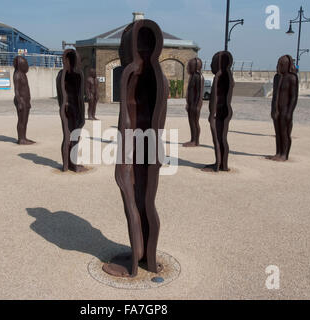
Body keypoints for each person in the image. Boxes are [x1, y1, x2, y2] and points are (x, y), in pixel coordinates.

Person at [102, 19, 168, 278]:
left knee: (133, 197)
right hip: (150, 150)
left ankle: (134, 263)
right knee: (147, 200)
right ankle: (146, 257)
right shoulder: (157, 75)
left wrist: (123, 162)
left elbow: (126, 122)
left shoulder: (129, 72)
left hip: (133, 150)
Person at [56, 49, 86, 172]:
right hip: (73, 109)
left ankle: (66, 165)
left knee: (67, 136)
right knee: (73, 137)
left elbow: (61, 94)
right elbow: (80, 97)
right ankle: (72, 164)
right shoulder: (78, 75)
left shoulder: (61, 75)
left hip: (66, 108)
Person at [203, 51, 234, 172]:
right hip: (225, 112)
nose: (211, 65)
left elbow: (215, 97)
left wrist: (212, 114)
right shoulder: (228, 76)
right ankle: (223, 164)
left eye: (213, 62)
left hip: (218, 113)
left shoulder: (219, 76)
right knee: (222, 138)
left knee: (217, 138)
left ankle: (217, 164)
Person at [267, 55, 299, 161]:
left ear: (287, 65)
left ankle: (284, 154)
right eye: (278, 64)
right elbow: (275, 95)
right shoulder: (277, 78)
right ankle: (278, 152)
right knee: (277, 132)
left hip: (286, 110)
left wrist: (289, 112)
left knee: (285, 132)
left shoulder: (292, 78)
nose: (279, 66)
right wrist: (273, 109)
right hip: (277, 110)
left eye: (281, 64)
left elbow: (294, 97)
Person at [13, 56, 35, 145]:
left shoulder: (22, 74)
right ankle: (21, 139)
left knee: (25, 120)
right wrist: (20, 102)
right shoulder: (17, 74)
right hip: (21, 101)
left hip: (25, 101)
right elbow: (16, 90)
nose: (27, 66)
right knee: (22, 120)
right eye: (25, 64)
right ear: (20, 65)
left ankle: (23, 137)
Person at [183, 57, 204, 147]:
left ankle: (196, 141)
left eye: (189, 66)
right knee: (191, 122)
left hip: (195, 105)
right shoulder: (192, 77)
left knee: (195, 122)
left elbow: (200, 93)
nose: (187, 68)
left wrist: (197, 106)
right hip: (191, 104)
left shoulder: (199, 77)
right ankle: (192, 139)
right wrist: (188, 103)